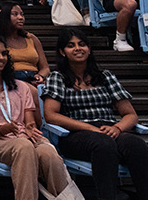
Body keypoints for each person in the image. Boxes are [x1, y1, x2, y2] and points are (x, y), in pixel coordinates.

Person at [43, 27, 148, 200]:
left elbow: (130, 114)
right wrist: (89, 128)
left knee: (135, 144)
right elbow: (51, 115)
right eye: (71, 45)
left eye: (82, 44)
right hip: (75, 134)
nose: (78, 48)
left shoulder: (105, 76)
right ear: (62, 52)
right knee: (103, 144)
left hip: (108, 129)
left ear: (89, 49)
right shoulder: (58, 77)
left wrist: (118, 128)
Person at [0, 34, 71, 200]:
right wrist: (5, 129)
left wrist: (30, 128)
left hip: (24, 137)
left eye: (4, 53)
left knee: (49, 154)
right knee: (23, 147)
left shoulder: (21, 87)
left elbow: (29, 122)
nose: (1, 58)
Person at [0, 1, 49, 85]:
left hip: (33, 78)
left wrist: (40, 76)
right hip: (10, 79)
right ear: (4, 17)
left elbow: (45, 68)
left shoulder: (31, 38)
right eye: (15, 14)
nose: (20, 17)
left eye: (22, 14)